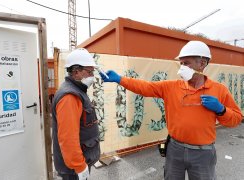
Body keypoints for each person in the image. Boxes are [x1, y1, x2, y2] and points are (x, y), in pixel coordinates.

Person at [100, 41, 242, 180]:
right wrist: (119, 79)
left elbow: (236, 119)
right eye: (181, 63)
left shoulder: (219, 90)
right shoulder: (171, 87)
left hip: (203, 153)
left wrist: (221, 110)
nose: (182, 67)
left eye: (186, 63)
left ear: (202, 63)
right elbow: (145, 87)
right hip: (175, 149)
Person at [52, 48, 100, 180]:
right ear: (76, 71)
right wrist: (79, 166)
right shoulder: (69, 97)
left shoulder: (77, 91)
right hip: (73, 170)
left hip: (79, 163)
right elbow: (68, 139)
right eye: (89, 72)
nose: (92, 76)